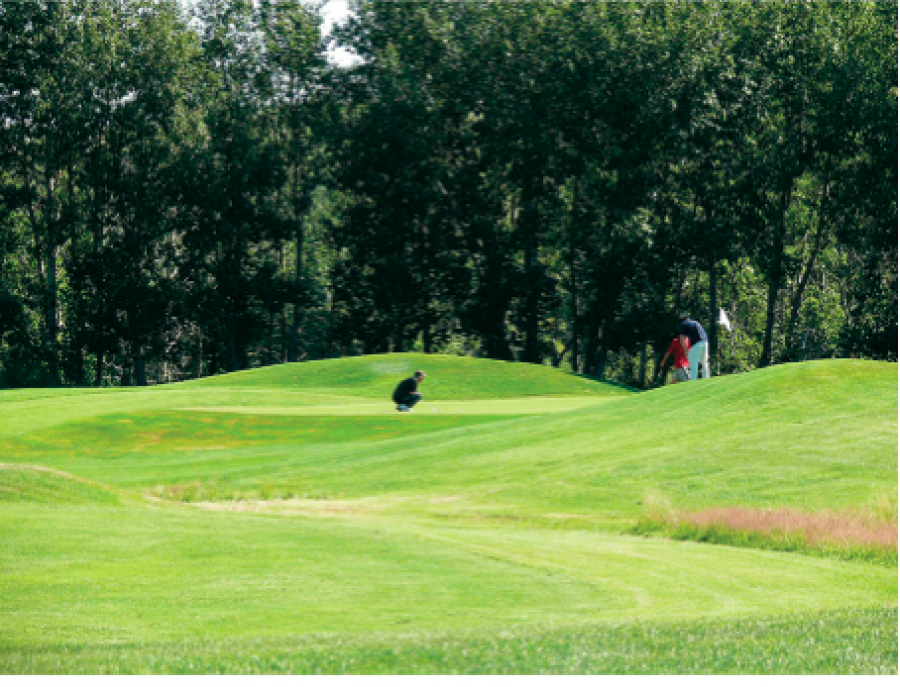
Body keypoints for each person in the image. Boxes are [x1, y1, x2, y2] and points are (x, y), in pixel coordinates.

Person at [679, 314, 710, 380]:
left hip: (696, 343)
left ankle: (693, 380)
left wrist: (686, 351)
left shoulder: (683, 324)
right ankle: (706, 379)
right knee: (704, 362)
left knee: (693, 363)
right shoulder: (696, 322)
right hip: (705, 342)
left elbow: (682, 339)